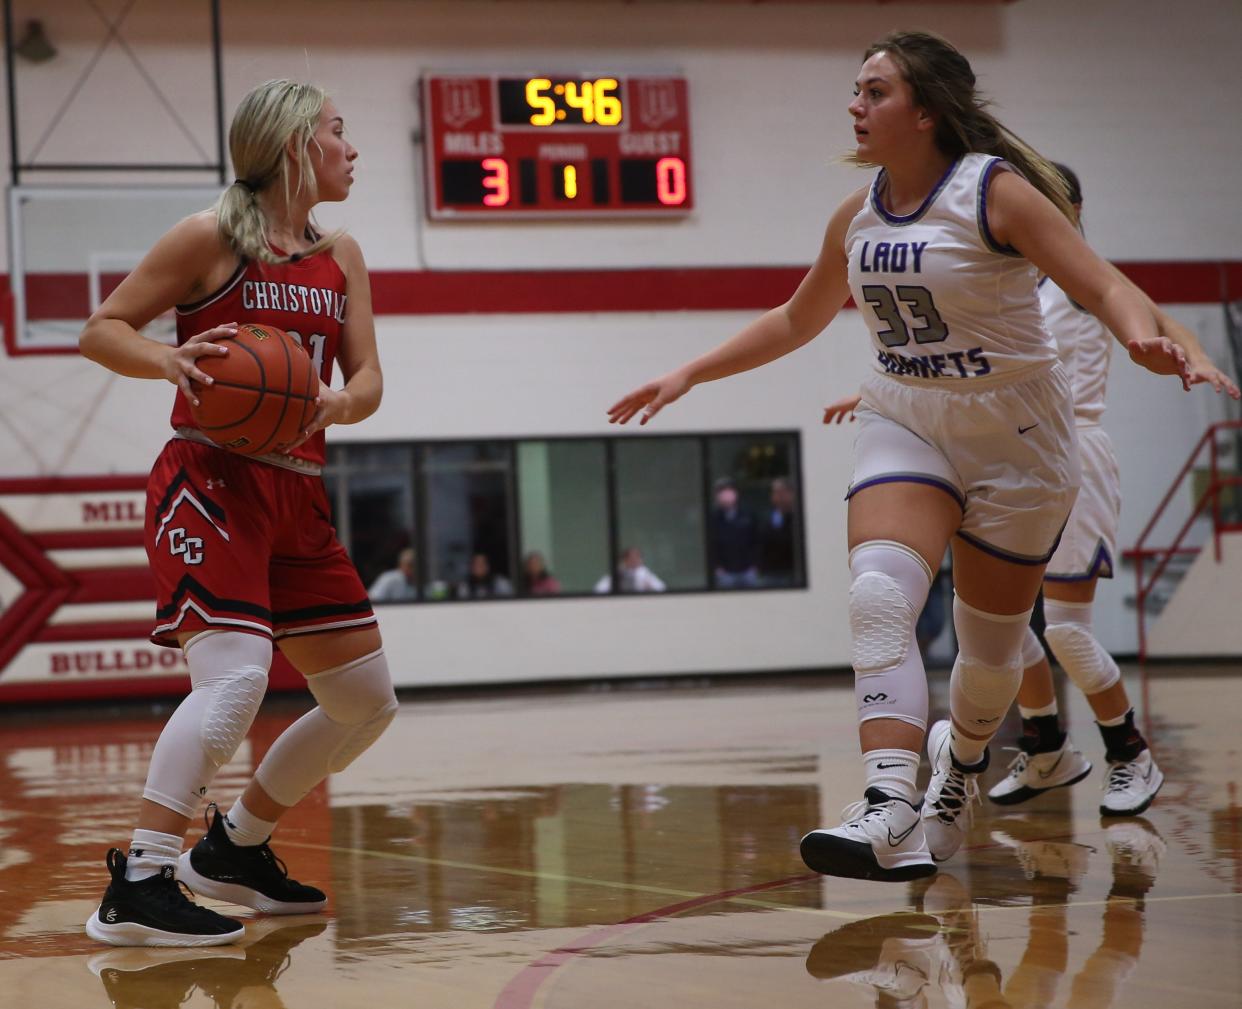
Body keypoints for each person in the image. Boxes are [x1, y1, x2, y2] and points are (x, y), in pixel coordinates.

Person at [609, 30, 1199, 883]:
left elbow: (1101, 283)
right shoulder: (855, 214)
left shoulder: (996, 192)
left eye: (874, 91)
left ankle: (957, 768)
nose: (855, 104)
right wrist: (688, 373)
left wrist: (1141, 334)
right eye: (855, 89)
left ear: (925, 111)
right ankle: (888, 802)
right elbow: (796, 317)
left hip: (1020, 438)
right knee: (880, 594)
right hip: (910, 416)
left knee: (991, 654)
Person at [78, 79, 397, 946]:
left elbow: (368, 378)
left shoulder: (344, 256)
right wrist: (167, 358)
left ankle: (233, 846)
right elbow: (103, 328)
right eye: (339, 131)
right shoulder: (210, 238)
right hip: (211, 477)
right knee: (235, 679)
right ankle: (138, 879)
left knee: (365, 699)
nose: (352, 147)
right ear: (296, 145)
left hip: (296, 490)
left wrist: (341, 403)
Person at [985, 164, 1238, 815]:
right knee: (1001, 627)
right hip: (1014, 456)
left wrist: (1198, 356)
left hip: (1074, 450)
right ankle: (1044, 748)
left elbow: (1162, 321)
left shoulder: (1081, 273)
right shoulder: (1016, 278)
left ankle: (1130, 753)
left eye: (1048, 196)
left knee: (1066, 629)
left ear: (1072, 205)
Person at [708, 477, 760, 588]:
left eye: (728, 491)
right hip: (725, 572)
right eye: (721, 492)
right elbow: (711, 545)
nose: (725, 495)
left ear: (735, 493)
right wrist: (717, 566)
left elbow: (756, 540)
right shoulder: (713, 518)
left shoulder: (748, 514)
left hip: (747, 570)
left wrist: (754, 565)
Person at [757, 477, 798, 586]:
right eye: (775, 493)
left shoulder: (797, 518)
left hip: (792, 573)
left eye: (781, 492)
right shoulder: (767, 518)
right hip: (770, 572)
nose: (778, 497)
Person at [594, 546, 668, 593]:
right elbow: (599, 589)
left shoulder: (645, 573)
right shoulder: (618, 573)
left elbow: (661, 588)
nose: (636, 560)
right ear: (625, 560)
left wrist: (650, 587)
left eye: (638, 557)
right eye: (632, 558)